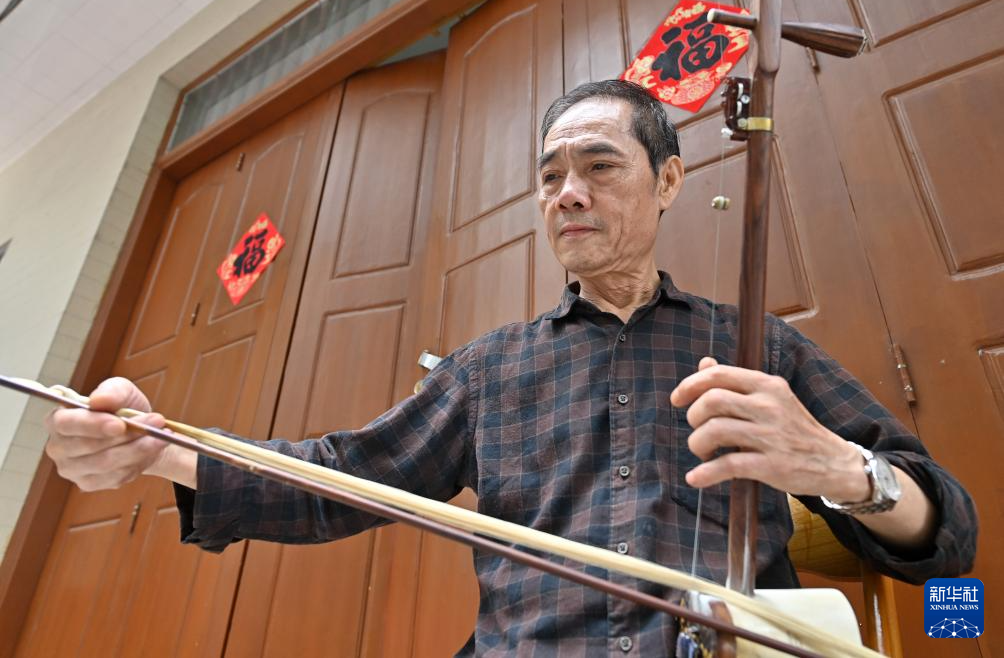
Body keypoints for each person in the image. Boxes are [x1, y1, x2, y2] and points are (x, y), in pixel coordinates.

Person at [45, 80, 976, 655]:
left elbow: (950, 542)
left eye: (599, 167)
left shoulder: (756, 348)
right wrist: (160, 451)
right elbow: (344, 479)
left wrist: (840, 469)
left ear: (668, 181)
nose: (567, 193)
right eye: (550, 175)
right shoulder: (487, 371)